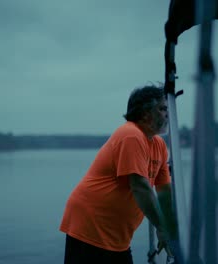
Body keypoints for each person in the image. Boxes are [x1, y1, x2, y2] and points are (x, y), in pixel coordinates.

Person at [59, 85, 180, 264]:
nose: (167, 114)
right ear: (145, 112)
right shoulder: (130, 134)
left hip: (117, 238)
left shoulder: (159, 146)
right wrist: (162, 227)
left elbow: (164, 191)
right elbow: (140, 187)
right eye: (162, 109)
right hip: (89, 227)